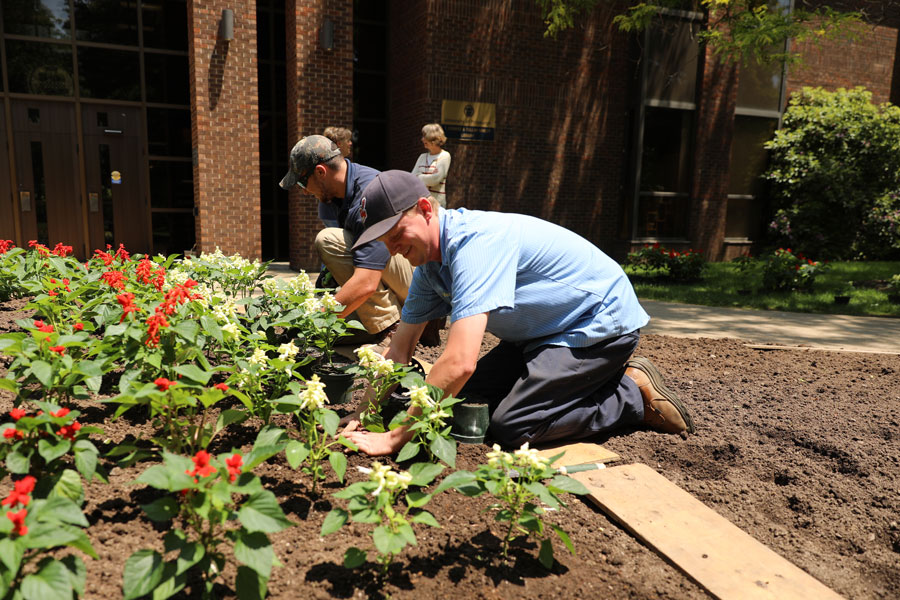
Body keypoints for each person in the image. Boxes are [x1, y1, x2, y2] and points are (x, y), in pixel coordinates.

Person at [341, 170, 695, 456]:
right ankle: (572, 384)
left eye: (396, 232)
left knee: (513, 424)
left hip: (595, 325)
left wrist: (394, 438)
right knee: (465, 401)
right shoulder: (429, 268)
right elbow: (399, 352)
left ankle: (631, 393)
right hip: (541, 333)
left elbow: (461, 361)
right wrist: (363, 412)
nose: (394, 248)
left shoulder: (474, 245)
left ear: (425, 208)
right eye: (384, 241)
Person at [279, 136, 412, 345]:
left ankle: (391, 329)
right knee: (329, 335)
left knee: (328, 240)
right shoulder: (337, 195)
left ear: (321, 172)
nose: (304, 191)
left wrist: (315, 320)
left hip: (418, 281)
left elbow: (366, 282)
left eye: (303, 182)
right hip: (391, 279)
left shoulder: (369, 195)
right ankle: (391, 323)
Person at [411, 123, 451, 208]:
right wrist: (427, 178)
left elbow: (435, 179)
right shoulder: (422, 157)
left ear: (433, 140)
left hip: (436, 206)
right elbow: (412, 178)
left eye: (424, 136)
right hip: (420, 204)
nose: (422, 139)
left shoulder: (444, 156)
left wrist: (419, 176)